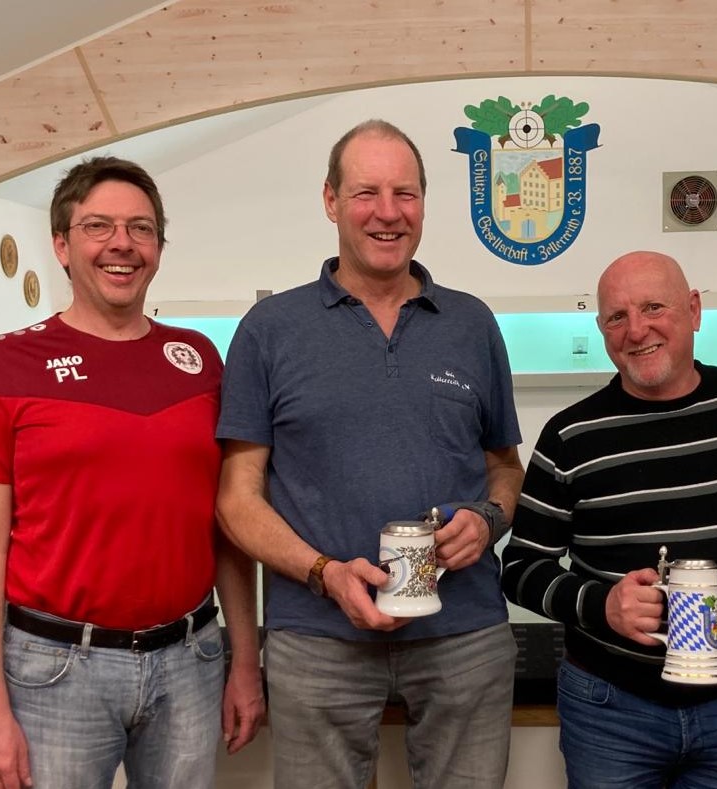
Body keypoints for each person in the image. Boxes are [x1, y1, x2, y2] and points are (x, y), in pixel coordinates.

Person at [215, 119, 525, 789]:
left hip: (464, 634)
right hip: (316, 638)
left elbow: (505, 467)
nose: (388, 212)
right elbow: (236, 499)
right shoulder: (269, 331)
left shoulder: (472, 324)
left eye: (404, 193)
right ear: (331, 201)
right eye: (366, 193)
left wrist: (488, 518)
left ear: (423, 202)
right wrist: (323, 572)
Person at [0, 156, 265, 789]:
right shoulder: (4, 365)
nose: (122, 243)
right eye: (98, 226)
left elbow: (228, 526)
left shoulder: (200, 359)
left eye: (141, 228)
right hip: (54, 672)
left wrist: (244, 660)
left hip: (191, 661)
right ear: (61, 246)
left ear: (158, 249)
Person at [502, 250, 717, 789]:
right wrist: (601, 604)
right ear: (601, 329)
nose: (636, 330)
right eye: (617, 316)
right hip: (611, 711)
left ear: (694, 310)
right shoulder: (570, 436)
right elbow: (520, 568)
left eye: (654, 307)